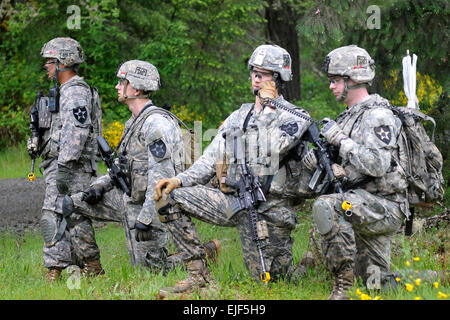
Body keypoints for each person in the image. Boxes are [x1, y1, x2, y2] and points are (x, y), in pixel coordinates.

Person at [153, 44, 313, 297]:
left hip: (270, 210)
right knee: (168, 197)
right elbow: (210, 159)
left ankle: (308, 262)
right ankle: (198, 275)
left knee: (272, 281)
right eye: (254, 72)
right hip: (235, 202)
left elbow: (268, 151)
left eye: (265, 74)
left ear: (279, 78)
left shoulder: (294, 117)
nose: (257, 78)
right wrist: (178, 180)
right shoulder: (237, 116)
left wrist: (268, 109)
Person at [62, 60, 219, 272]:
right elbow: (122, 163)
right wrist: (98, 186)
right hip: (129, 199)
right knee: (72, 204)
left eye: (122, 82)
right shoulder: (134, 120)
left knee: (151, 271)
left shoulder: (156, 125)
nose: (117, 86)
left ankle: (204, 253)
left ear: (135, 88)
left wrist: (145, 219)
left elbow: (160, 182)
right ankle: (93, 268)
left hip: (153, 206)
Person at [305, 44, 410, 299]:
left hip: (385, 205)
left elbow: (377, 165)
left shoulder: (377, 115)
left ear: (351, 80)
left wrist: (341, 141)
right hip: (362, 201)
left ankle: (342, 288)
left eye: (334, 81)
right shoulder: (349, 116)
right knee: (376, 283)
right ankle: (434, 277)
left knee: (327, 206)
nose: (331, 86)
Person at [26, 37, 103, 281]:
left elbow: (77, 131)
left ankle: (65, 269)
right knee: (67, 215)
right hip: (62, 165)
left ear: (63, 62)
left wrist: (64, 166)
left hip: (72, 168)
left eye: (50, 61)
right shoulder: (65, 92)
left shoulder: (76, 92)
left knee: (63, 214)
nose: (46, 66)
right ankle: (79, 266)